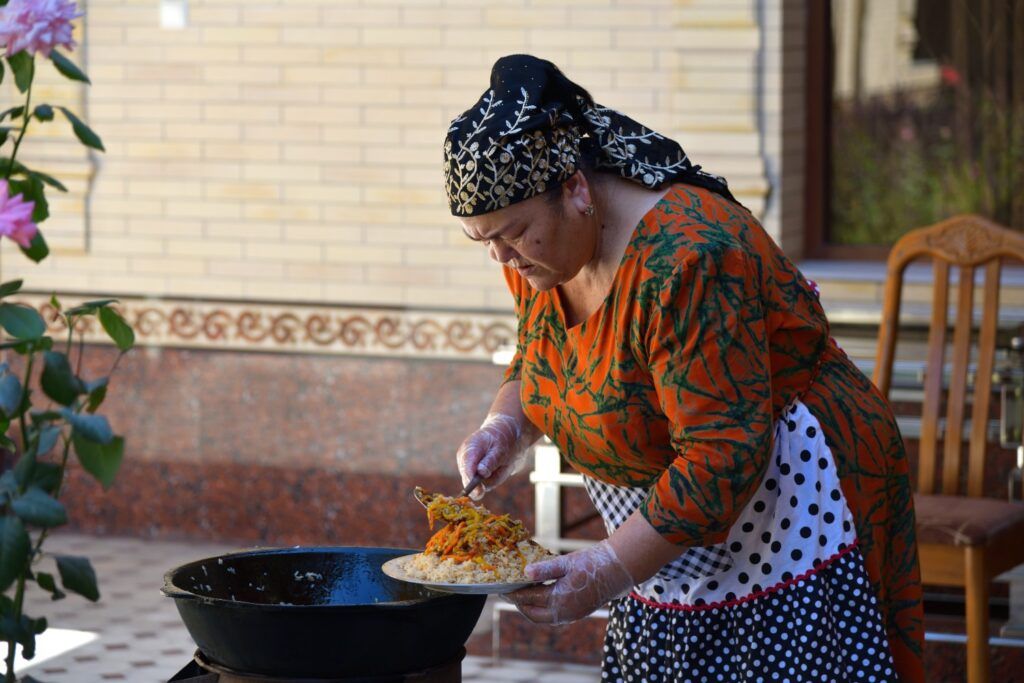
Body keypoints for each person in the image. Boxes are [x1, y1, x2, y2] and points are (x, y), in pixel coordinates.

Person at [445, 54, 923, 682]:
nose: (502, 258)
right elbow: (542, 351)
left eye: (511, 233)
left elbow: (722, 456)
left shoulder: (688, 260)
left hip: (786, 505)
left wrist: (606, 570)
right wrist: (505, 425)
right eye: (482, 241)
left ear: (576, 189)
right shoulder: (540, 253)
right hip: (667, 531)